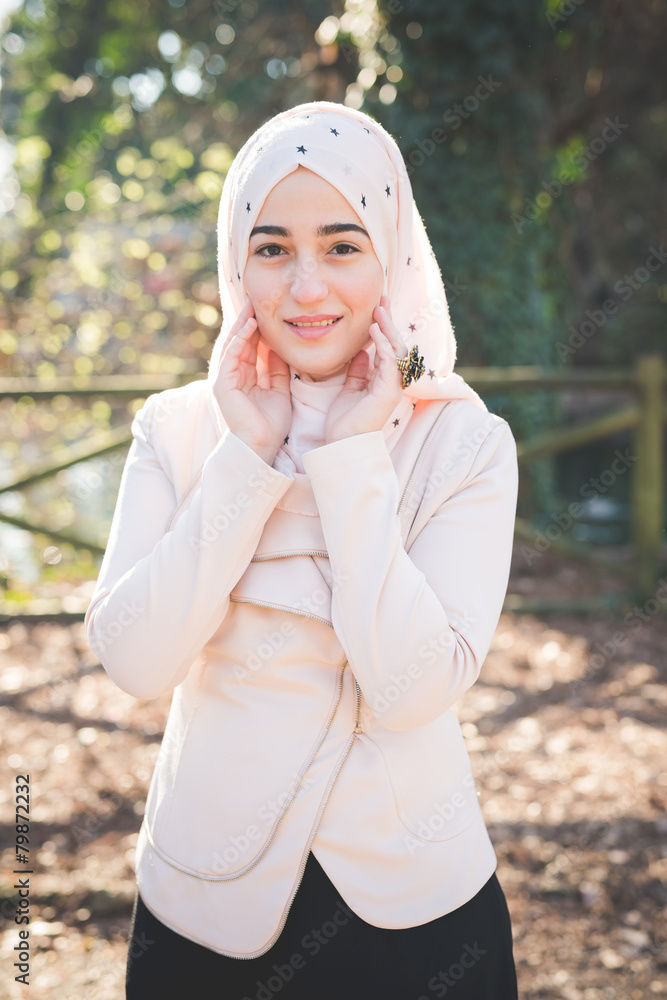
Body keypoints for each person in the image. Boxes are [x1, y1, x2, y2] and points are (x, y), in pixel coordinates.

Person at [85, 100, 520, 999]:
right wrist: (246, 458)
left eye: (342, 245)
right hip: (202, 908)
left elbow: (413, 690)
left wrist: (353, 457)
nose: (307, 288)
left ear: (391, 256)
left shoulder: (462, 440)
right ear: (236, 265)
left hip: (414, 917)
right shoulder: (178, 427)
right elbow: (134, 661)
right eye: (273, 248)